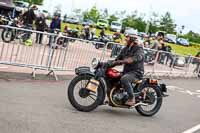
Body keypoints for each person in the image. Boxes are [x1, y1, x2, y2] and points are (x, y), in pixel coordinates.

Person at [111, 35, 144, 106]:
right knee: (113, 76)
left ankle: (132, 98)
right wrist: (107, 64)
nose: (125, 39)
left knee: (125, 79)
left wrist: (123, 61)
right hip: (127, 72)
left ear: (132, 40)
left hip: (136, 73)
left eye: (127, 38)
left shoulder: (139, 49)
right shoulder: (125, 49)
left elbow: (134, 59)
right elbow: (117, 59)